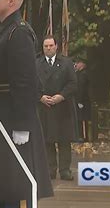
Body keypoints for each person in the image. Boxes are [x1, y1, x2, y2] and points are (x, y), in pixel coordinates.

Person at [0, 0, 54, 208]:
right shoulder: (2, 30)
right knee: (4, 186)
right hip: (1, 113)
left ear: (11, 1)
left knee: (16, 185)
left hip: (13, 117)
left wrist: (22, 125)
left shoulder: (18, 33)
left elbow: (25, 83)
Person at [37, 35, 78, 181]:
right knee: (47, 140)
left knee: (64, 140)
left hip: (63, 107)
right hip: (44, 107)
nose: (48, 48)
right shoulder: (37, 64)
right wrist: (40, 97)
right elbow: (31, 84)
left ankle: (65, 170)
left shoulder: (66, 63)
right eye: (45, 46)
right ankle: (50, 169)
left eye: (50, 46)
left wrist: (61, 96)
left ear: (56, 47)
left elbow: (73, 84)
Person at [74, 60, 93, 142]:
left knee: (82, 119)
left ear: (82, 64)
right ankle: (81, 136)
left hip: (83, 101)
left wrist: (79, 101)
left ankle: (83, 136)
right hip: (83, 100)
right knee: (81, 118)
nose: (76, 65)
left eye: (78, 63)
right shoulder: (81, 74)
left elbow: (81, 88)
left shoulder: (83, 74)